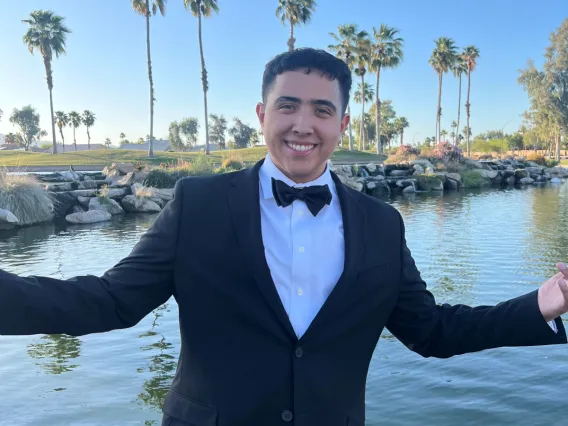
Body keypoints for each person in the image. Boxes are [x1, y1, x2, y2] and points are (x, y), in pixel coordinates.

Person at [1, 48, 567, 426]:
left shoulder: (381, 223)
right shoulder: (197, 204)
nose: (303, 124)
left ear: (343, 124)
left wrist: (540, 305)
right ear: (261, 114)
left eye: (323, 110)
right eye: (288, 105)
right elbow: (111, 299)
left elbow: (432, 330)